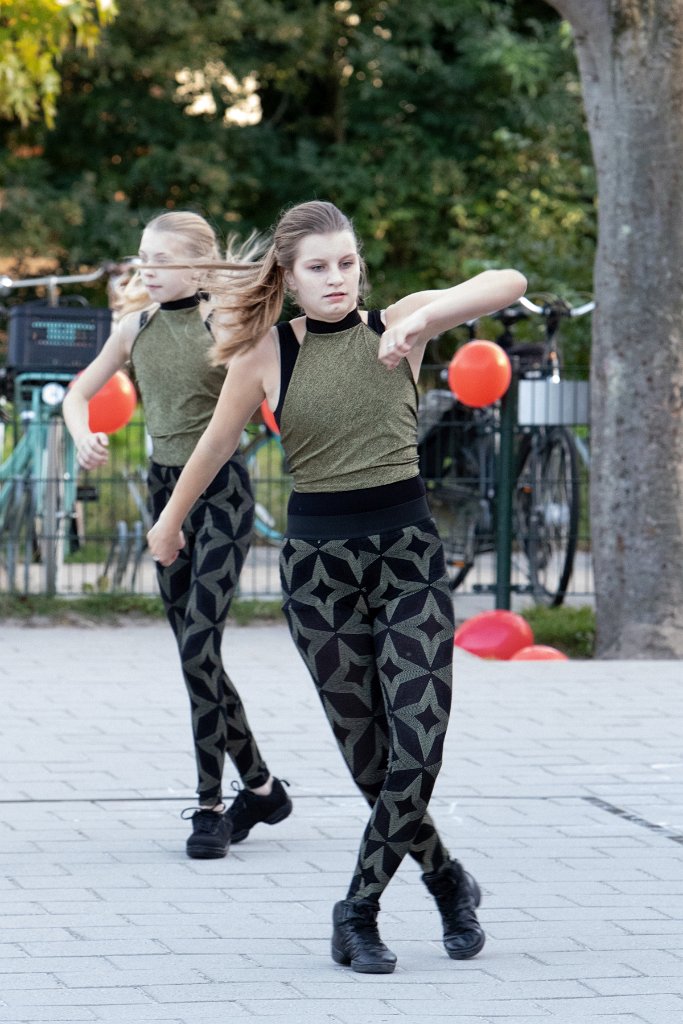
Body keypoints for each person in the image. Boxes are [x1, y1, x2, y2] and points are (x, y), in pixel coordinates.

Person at [147, 200, 527, 972]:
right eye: (318, 267)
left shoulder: (403, 324)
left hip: (408, 562)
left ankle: (356, 910)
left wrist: (428, 318)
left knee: (417, 749)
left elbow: (506, 278)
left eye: (346, 263)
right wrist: (169, 523)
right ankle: (447, 879)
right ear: (288, 277)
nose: (336, 279)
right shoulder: (265, 353)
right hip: (319, 573)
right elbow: (216, 444)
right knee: (369, 759)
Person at [63, 211, 292, 860]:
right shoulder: (133, 328)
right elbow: (76, 396)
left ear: (197, 266)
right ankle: (263, 788)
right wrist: (85, 434)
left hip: (220, 495)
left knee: (198, 645)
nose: (146, 270)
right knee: (200, 656)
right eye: (142, 258)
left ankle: (209, 805)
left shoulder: (222, 326)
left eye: (161, 260)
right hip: (166, 494)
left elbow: (263, 395)